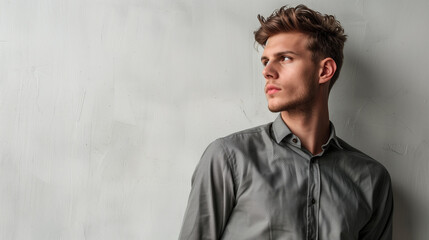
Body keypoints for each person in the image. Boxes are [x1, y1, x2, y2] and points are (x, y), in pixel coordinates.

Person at [179, 4, 393, 240]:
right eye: (265, 61)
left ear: (325, 71)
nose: (267, 71)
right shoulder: (228, 158)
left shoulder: (371, 178)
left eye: (285, 58)